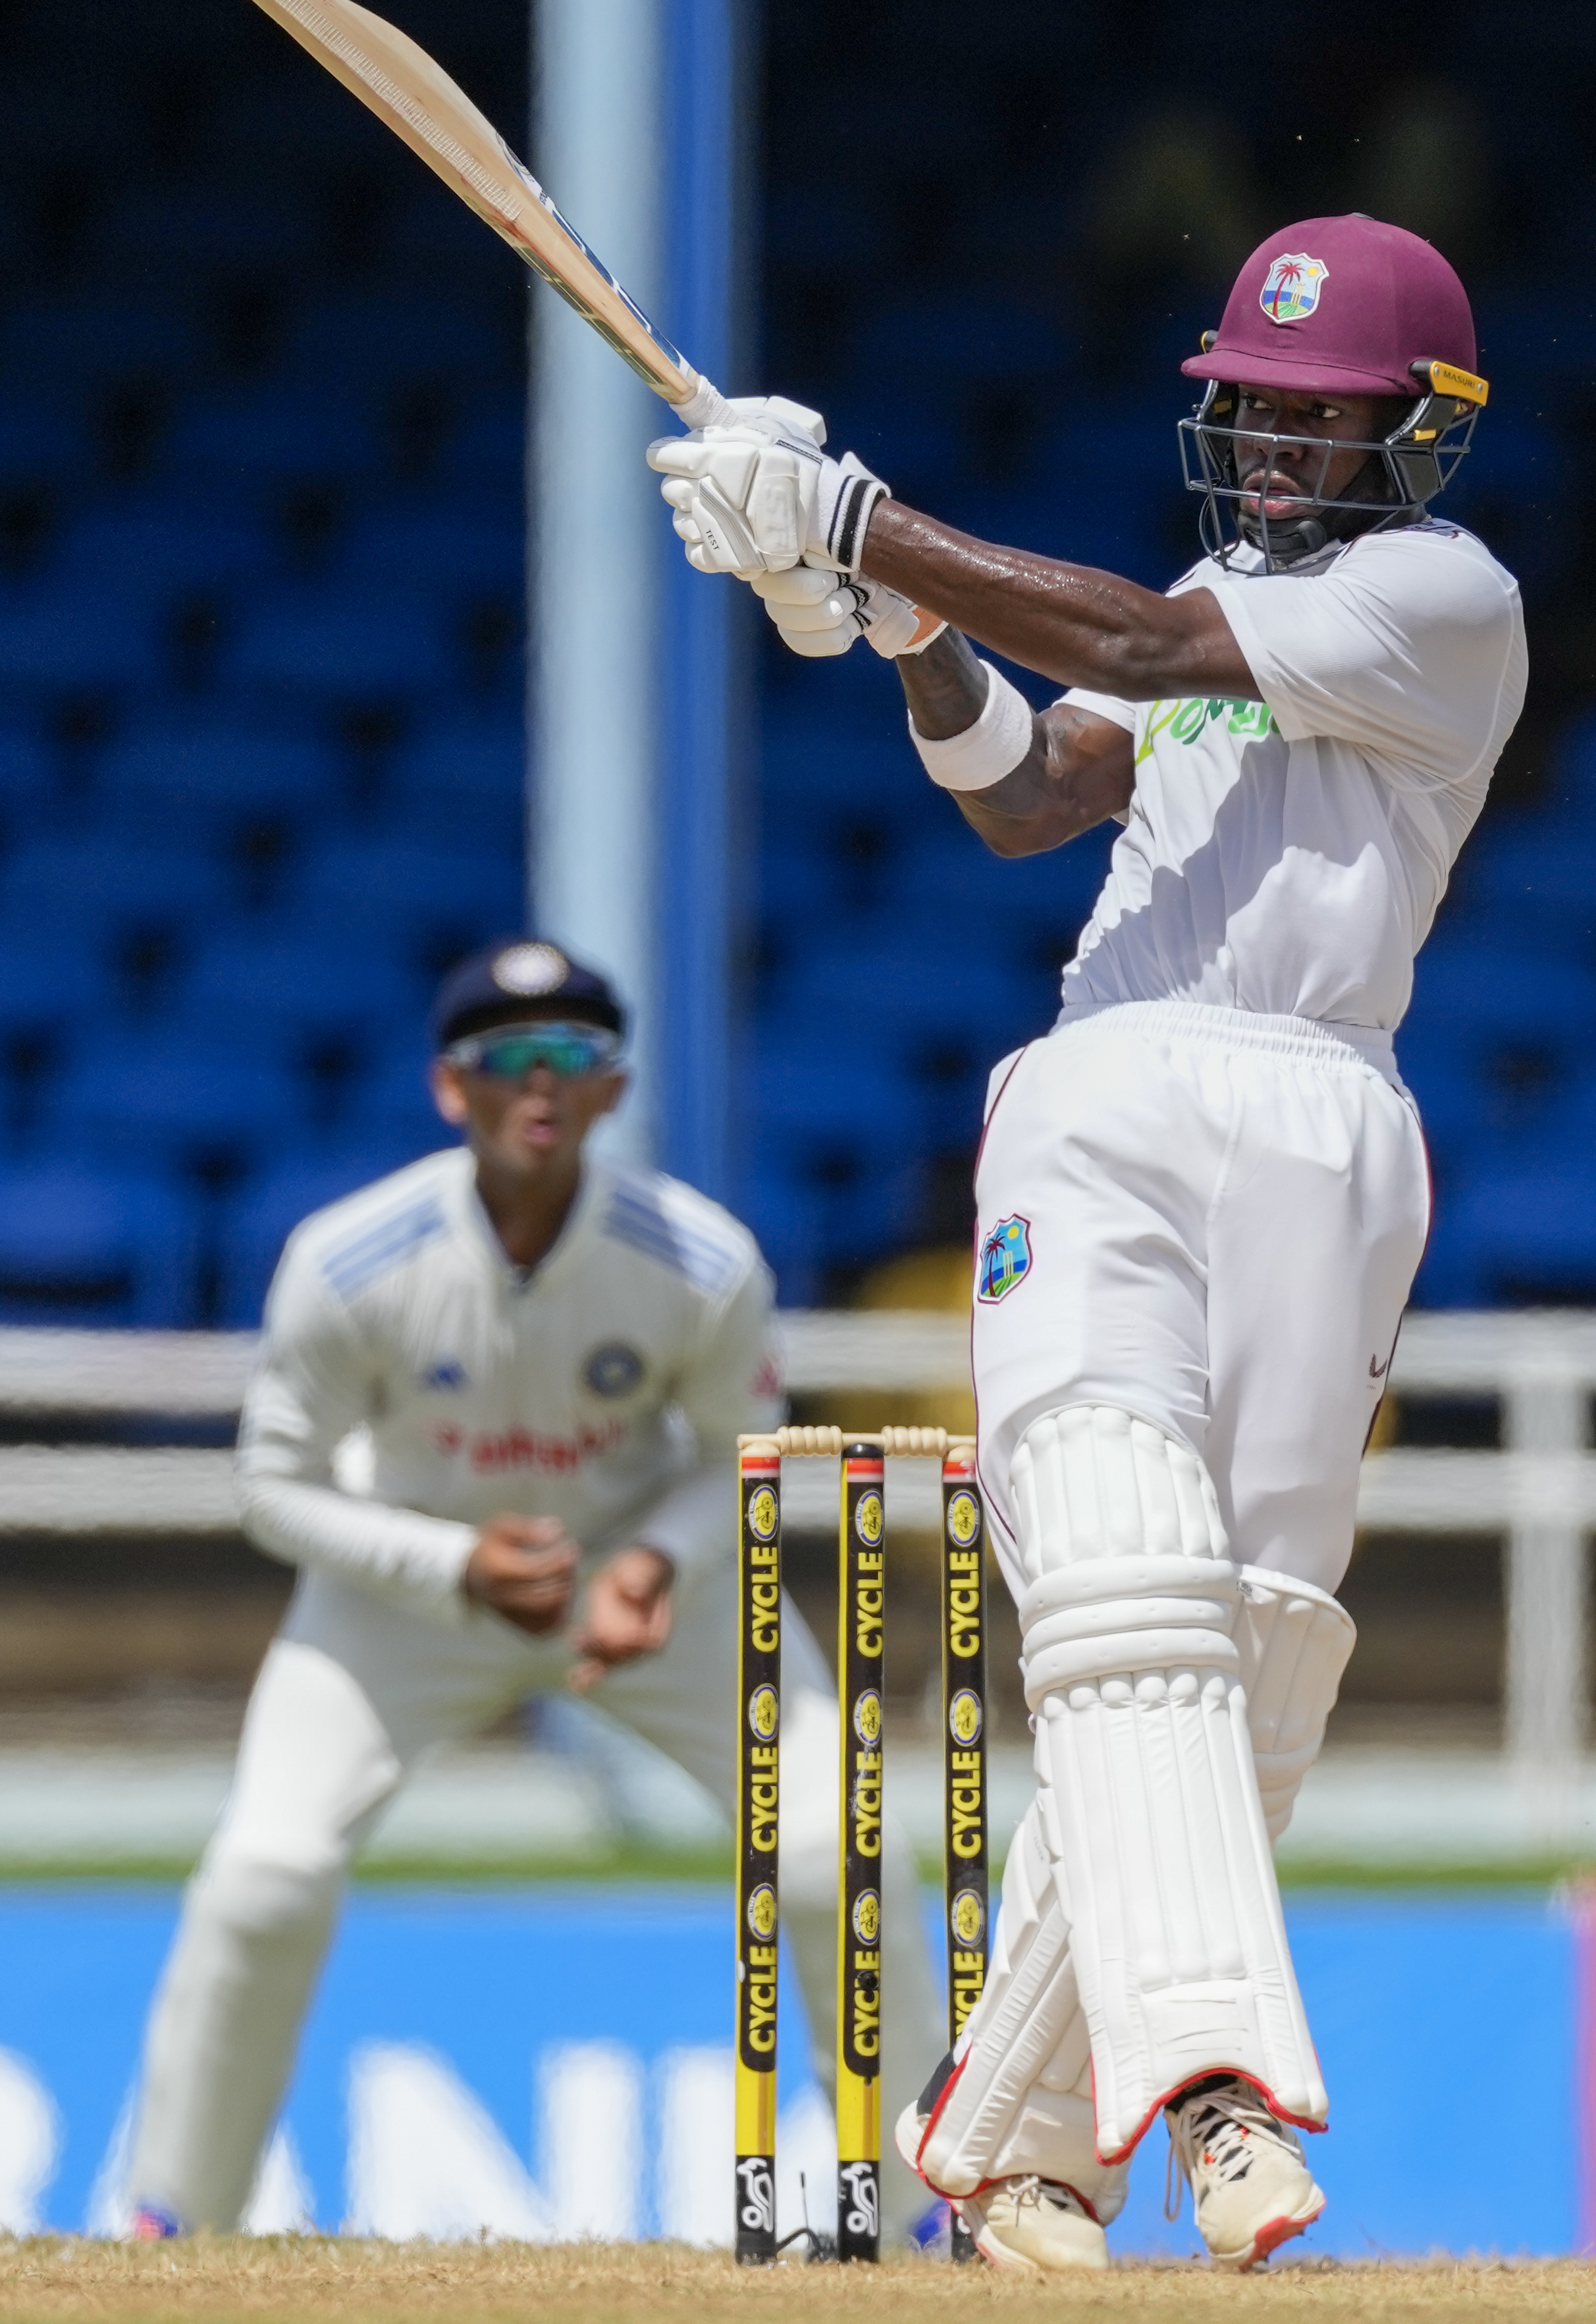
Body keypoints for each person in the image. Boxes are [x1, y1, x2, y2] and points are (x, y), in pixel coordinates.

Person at [649, 215, 1525, 2270]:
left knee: (1255, 1652)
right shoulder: (1224, 599)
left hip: (1328, 1115)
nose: (1280, 449)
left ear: (1419, 434)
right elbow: (1033, 794)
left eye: (1324, 419)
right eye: (1259, 410)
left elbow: (1127, 651)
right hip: (1112, 1085)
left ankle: (1015, 2139)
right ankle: (1217, 2092)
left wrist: (857, 522)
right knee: (1128, 1583)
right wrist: (896, 626)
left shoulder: (1447, 598)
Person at [126, 937, 942, 2240]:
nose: (541, 1081)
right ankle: (172, 2226)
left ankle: (920, 2221)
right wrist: (451, 1565)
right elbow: (273, 1489)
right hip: (406, 1588)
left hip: (646, 1583)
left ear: (614, 1086)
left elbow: (742, 1458)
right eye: (506, 1057)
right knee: (264, 1878)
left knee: (837, 1857)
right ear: (451, 1087)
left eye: (572, 1053)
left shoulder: (701, 1261)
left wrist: (650, 1565)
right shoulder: (350, 1261)